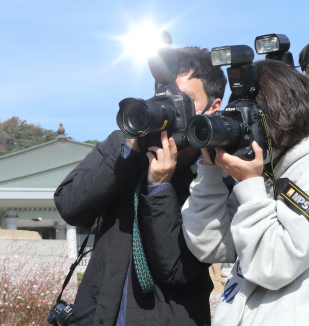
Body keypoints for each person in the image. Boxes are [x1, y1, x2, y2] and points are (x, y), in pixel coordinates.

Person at [54, 46, 227, 326]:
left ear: (214, 106)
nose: (171, 106)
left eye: (184, 99)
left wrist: (159, 188)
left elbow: (176, 269)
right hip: (98, 315)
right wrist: (131, 152)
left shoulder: (214, 171)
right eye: (164, 95)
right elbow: (69, 206)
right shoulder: (121, 144)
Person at [181, 60, 309, 325]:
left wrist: (250, 185)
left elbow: (274, 264)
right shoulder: (264, 170)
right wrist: (209, 169)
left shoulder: (303, 169)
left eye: (244, 119)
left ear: (276, 115)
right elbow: (210, 245)